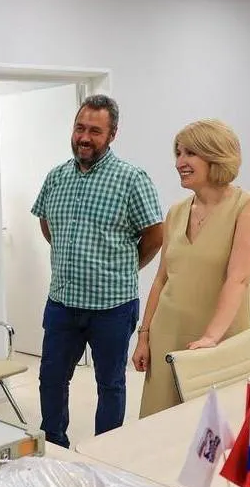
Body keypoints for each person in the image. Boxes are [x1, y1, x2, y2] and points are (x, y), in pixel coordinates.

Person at [30, 95, 164, 449]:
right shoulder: (56, 177)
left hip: (112, 306)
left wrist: (124, 265)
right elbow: (47, 223)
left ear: (112, 134)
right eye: (79, 128)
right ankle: (55, 445)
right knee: (51, 378)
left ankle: (105, 453)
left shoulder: (131, 179)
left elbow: (155, 234)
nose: (84, 137)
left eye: (94, 130)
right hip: (63, 302)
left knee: (110, 384)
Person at [134, 119, 250, 417]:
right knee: (160, 425)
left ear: (216, 155)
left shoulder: (248, 207)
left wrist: (211, 338)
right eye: (178, 153)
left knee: (215, 430)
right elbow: (161, 279)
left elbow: (239, 278)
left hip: (220, 335)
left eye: (190, 153)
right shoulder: (177, 212)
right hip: (168, 333)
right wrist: (144, 336)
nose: (180, 162)